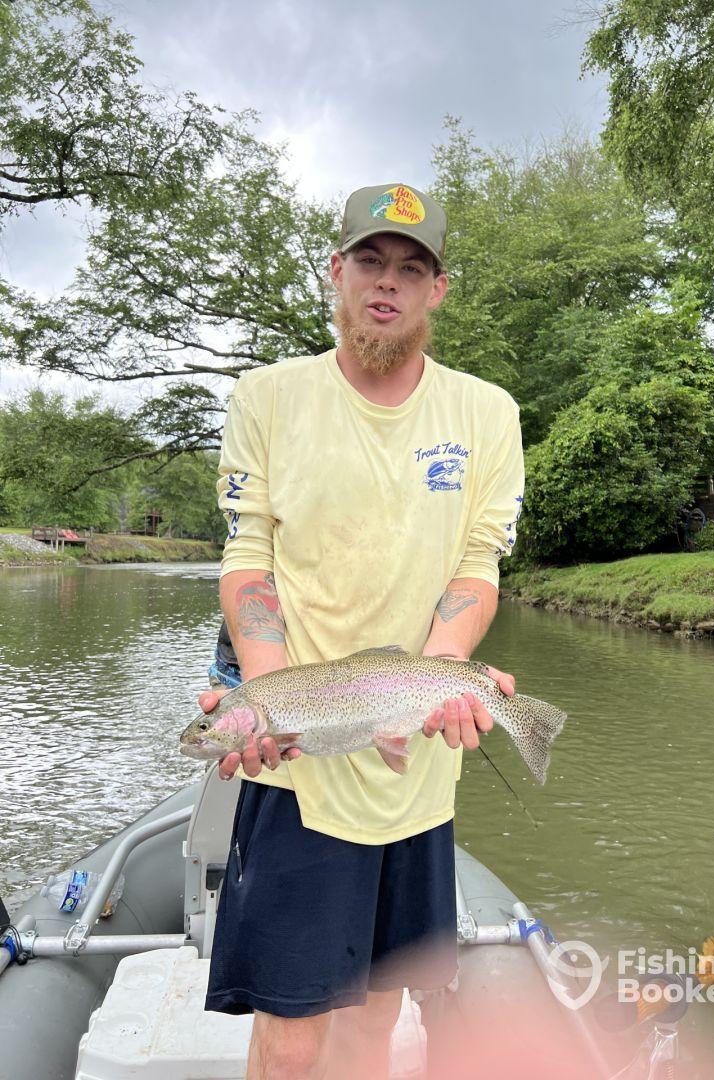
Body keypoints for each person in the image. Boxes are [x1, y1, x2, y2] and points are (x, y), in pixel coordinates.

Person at [199, 182, 525, 1080]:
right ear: (335, 273)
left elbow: (478, 563)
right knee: (293, 1025)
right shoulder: (263, 398)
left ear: (438, 291)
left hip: (419, 772)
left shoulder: (488, 413)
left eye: (411, 269)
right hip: (301, 774)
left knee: (377, 1019)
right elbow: (248, 556)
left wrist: (448, 671)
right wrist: (268, 701)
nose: (389, 283)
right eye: (371, 262)